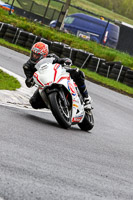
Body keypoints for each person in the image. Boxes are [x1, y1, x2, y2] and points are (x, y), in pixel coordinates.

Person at [23, 42, 92, 110]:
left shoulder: (51, 57)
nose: (34, 56)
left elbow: (60, 60)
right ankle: (54, 104)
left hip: (58, 77)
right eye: (33, 54)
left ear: (43, 55)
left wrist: (66, 60)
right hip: (43, 84)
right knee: (33, 102)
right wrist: (30, 81)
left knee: (77, 72)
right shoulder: (27, 66)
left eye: (37, 55)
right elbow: (28, 81)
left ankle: (86, 98)